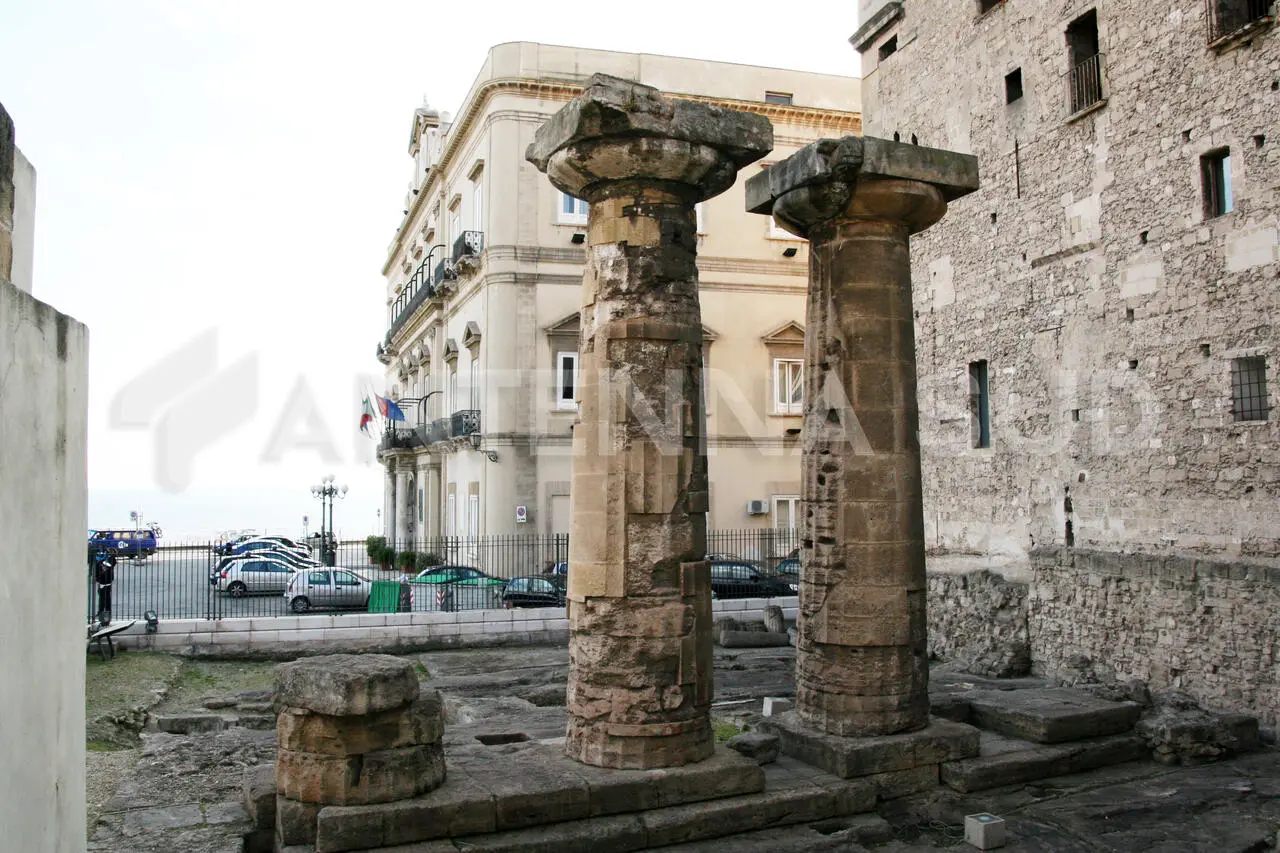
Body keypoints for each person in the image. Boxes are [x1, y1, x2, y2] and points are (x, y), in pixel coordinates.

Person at [93, 548, 117, 626]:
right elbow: (97, 573)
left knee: (105, 599)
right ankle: (103, 613)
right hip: (103, 582)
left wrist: (112, 554)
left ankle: (105, 612)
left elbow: (113, 562)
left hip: (106, 582)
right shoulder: (100, 563)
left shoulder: (109, 560)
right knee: (103, 599)